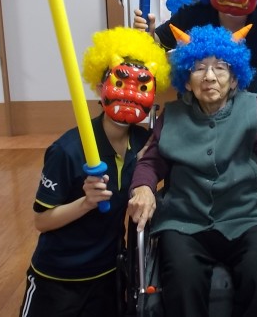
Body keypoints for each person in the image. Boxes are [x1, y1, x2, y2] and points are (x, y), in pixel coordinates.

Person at [127, 24, 257, 317]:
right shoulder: (173, 115)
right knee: (182, 280)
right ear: (186, 81)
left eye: (220, 68)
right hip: (184, 220)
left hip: (246, 216)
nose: (209, 77)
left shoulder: (252, 108)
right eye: (199, 68)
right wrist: (143, 188)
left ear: (234, 79)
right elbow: (151, 161)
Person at [19, 27, 171, 317]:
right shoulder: (68, 150)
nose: (129, 93)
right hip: (58, 275)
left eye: (141, 87)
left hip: (108, 273)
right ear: (101, 87)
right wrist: (86, 202)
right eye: (120, 82)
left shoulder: (144, 144)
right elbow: (41, 221)